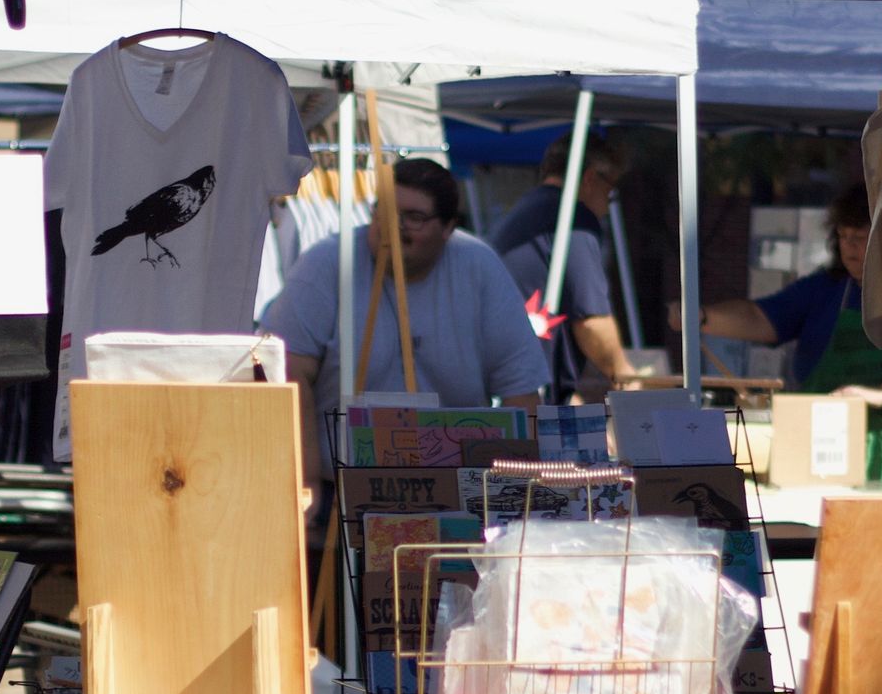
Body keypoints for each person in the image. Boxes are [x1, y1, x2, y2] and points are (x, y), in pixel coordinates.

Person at [264, 156, 547, 477]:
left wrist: (513, 491)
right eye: (384, 211)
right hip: (340, 487)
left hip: (458, 486)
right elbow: (288, 371)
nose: (394, 228)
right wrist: (307, 485)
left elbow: (521, 391)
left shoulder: (479, 267)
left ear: (448, 227)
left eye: (413, 217)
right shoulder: (327, 264)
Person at [683, 179, 882, 489]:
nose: (849, 248)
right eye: (844, 237)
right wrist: (700, 317)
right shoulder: (823, 290)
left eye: (860, 238)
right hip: (825, 452)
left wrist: (878, 396)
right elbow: (758, 318)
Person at [491, 130, 635, 397]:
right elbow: (590, 321)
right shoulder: (574, 217)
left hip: (512, 382)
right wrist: (624, 375)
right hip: (532, 391)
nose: (607, 205)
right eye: (610, 191)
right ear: (591, 178)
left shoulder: (527, 210)